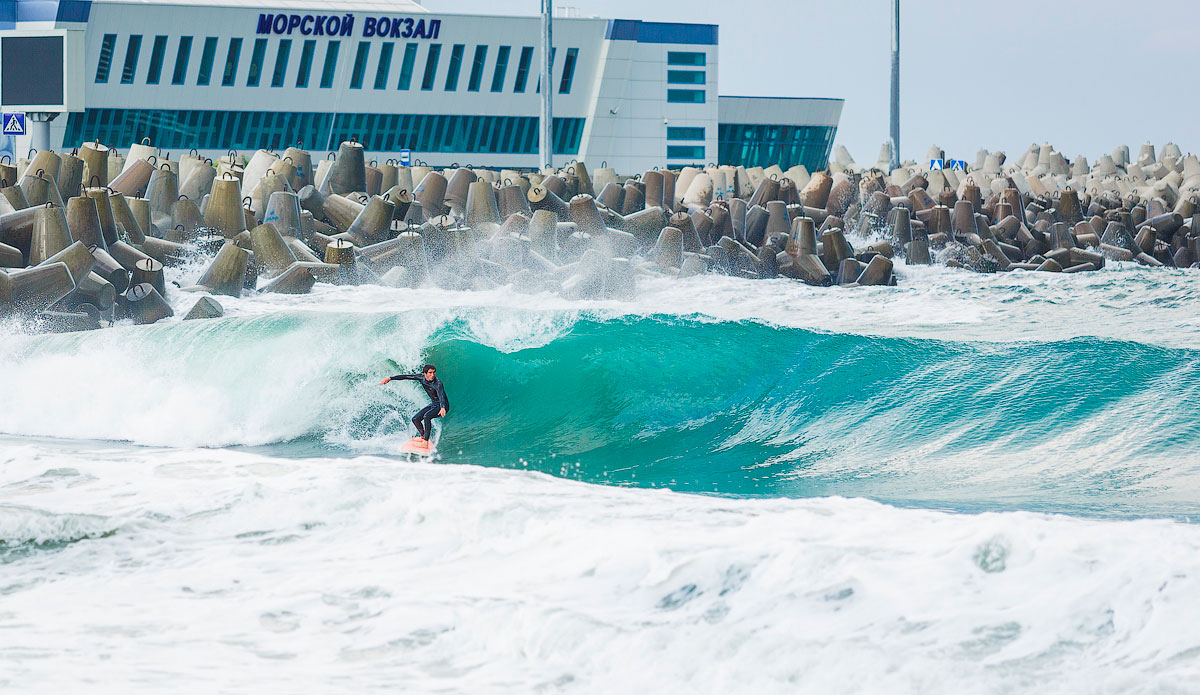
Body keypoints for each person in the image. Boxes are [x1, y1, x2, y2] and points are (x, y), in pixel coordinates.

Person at [379, 363, 449, 444]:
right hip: (434, 404)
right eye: (430, 373)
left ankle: (426, 442)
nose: (432, 375)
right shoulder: (421, 377)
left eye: (434, 372)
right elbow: (406, 376)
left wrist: (443, 407)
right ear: (424, 373)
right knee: (415, 419)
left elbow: (441, 395)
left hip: (442, 406)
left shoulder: (438, 383)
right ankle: (423, 436)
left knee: (427, 416)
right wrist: (390, 378)